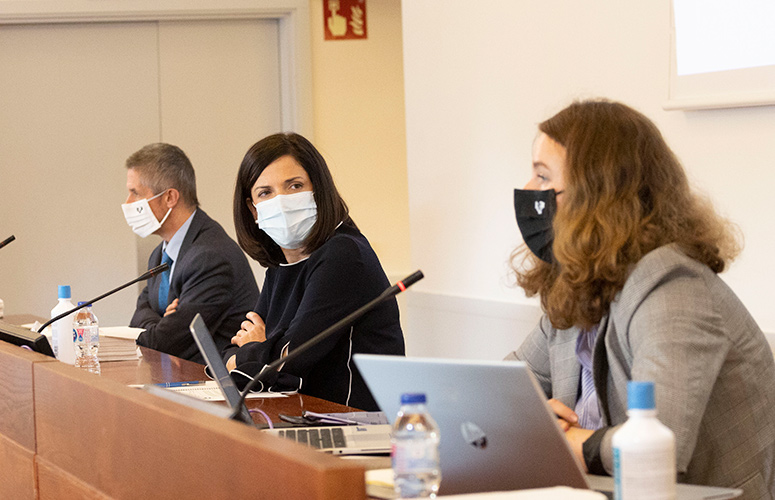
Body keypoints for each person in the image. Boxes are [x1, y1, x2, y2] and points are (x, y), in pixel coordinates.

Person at [506, 99, 775, 497]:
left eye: (544, 177)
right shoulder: (577, 284)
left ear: (596, 195)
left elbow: (658, 440)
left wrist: (567, 441)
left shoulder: (673, 285)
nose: (529, 191)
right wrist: (525, 418)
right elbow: (507, 385)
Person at [224, 132, 405, 411]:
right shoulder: (281, 264)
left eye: (294, 186)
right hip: (304, 415)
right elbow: (239, 348)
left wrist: (255, 350)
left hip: (354, 424)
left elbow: (289, 359)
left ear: (318, 190)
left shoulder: (344, 254)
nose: (281, 201)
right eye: (265, 193)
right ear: (253, 209)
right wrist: (256, 349)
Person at [123, 143, 259, 363]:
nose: (127, 202)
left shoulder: (210, 256)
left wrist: (160, 328)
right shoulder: (160, 254)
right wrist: (159, 325)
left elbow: (167, 344)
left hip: (219, 387)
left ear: (170, 197)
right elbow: (140, 314)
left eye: (135, 193)